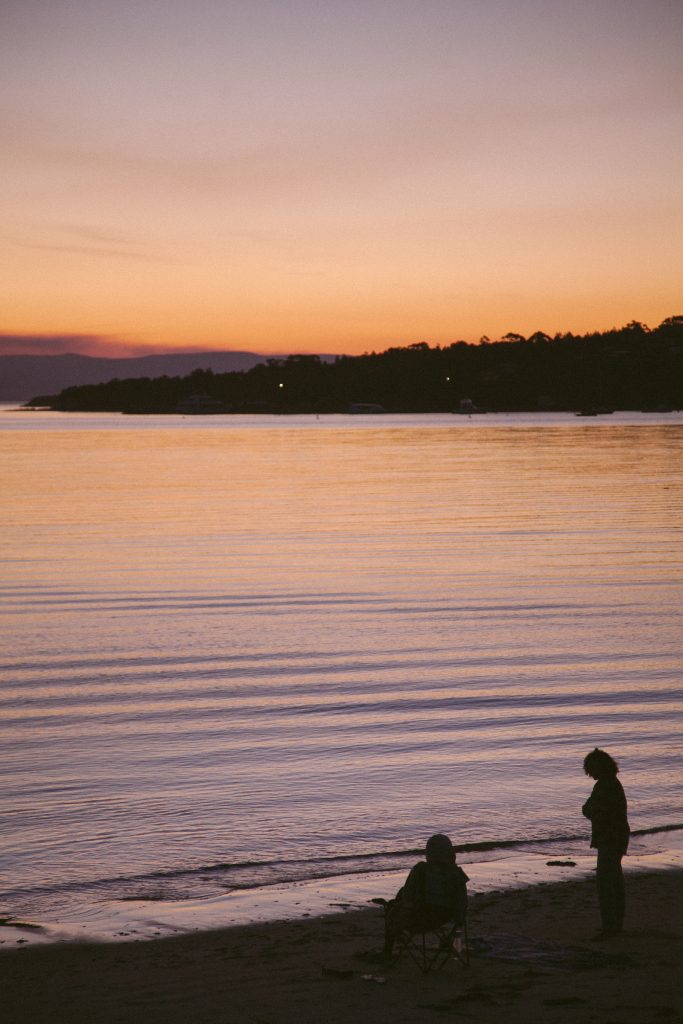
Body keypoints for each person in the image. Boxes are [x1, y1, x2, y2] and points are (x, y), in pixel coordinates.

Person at [381, 833, 468, 959]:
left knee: (392, 908)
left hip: (420, 921)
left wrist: (395, 905)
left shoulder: (421, 870)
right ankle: (397, 932)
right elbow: (462, 904)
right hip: (444, 918)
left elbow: (408, 901)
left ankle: (387, 951)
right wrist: (457, 923)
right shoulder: (457, 874)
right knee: (402, 893)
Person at [582, 748, 630, 939]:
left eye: (591, 768)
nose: (589, 772)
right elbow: (591, 809)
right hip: (615, 836)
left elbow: (591, 809)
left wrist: (590, 810)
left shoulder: (605, 785)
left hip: (610, 837)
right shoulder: (610, 783)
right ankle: (614, 925)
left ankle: (610, 927)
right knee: (613, 881)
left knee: (607, 883)